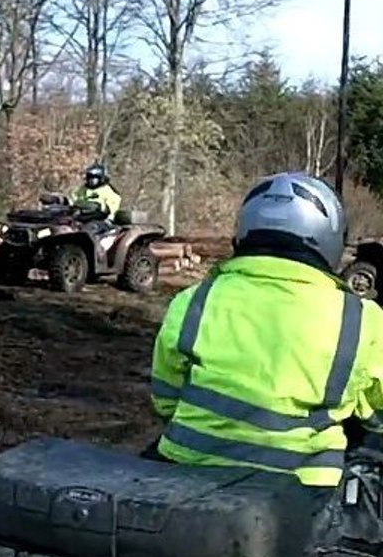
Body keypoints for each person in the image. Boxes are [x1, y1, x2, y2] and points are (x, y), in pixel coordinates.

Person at [148, 171, 383, 490]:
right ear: (331, 241)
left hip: (186, 477)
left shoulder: (194, 299)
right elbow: (376, 410)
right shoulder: (361, 318)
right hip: (301, 492)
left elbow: (164, 399)